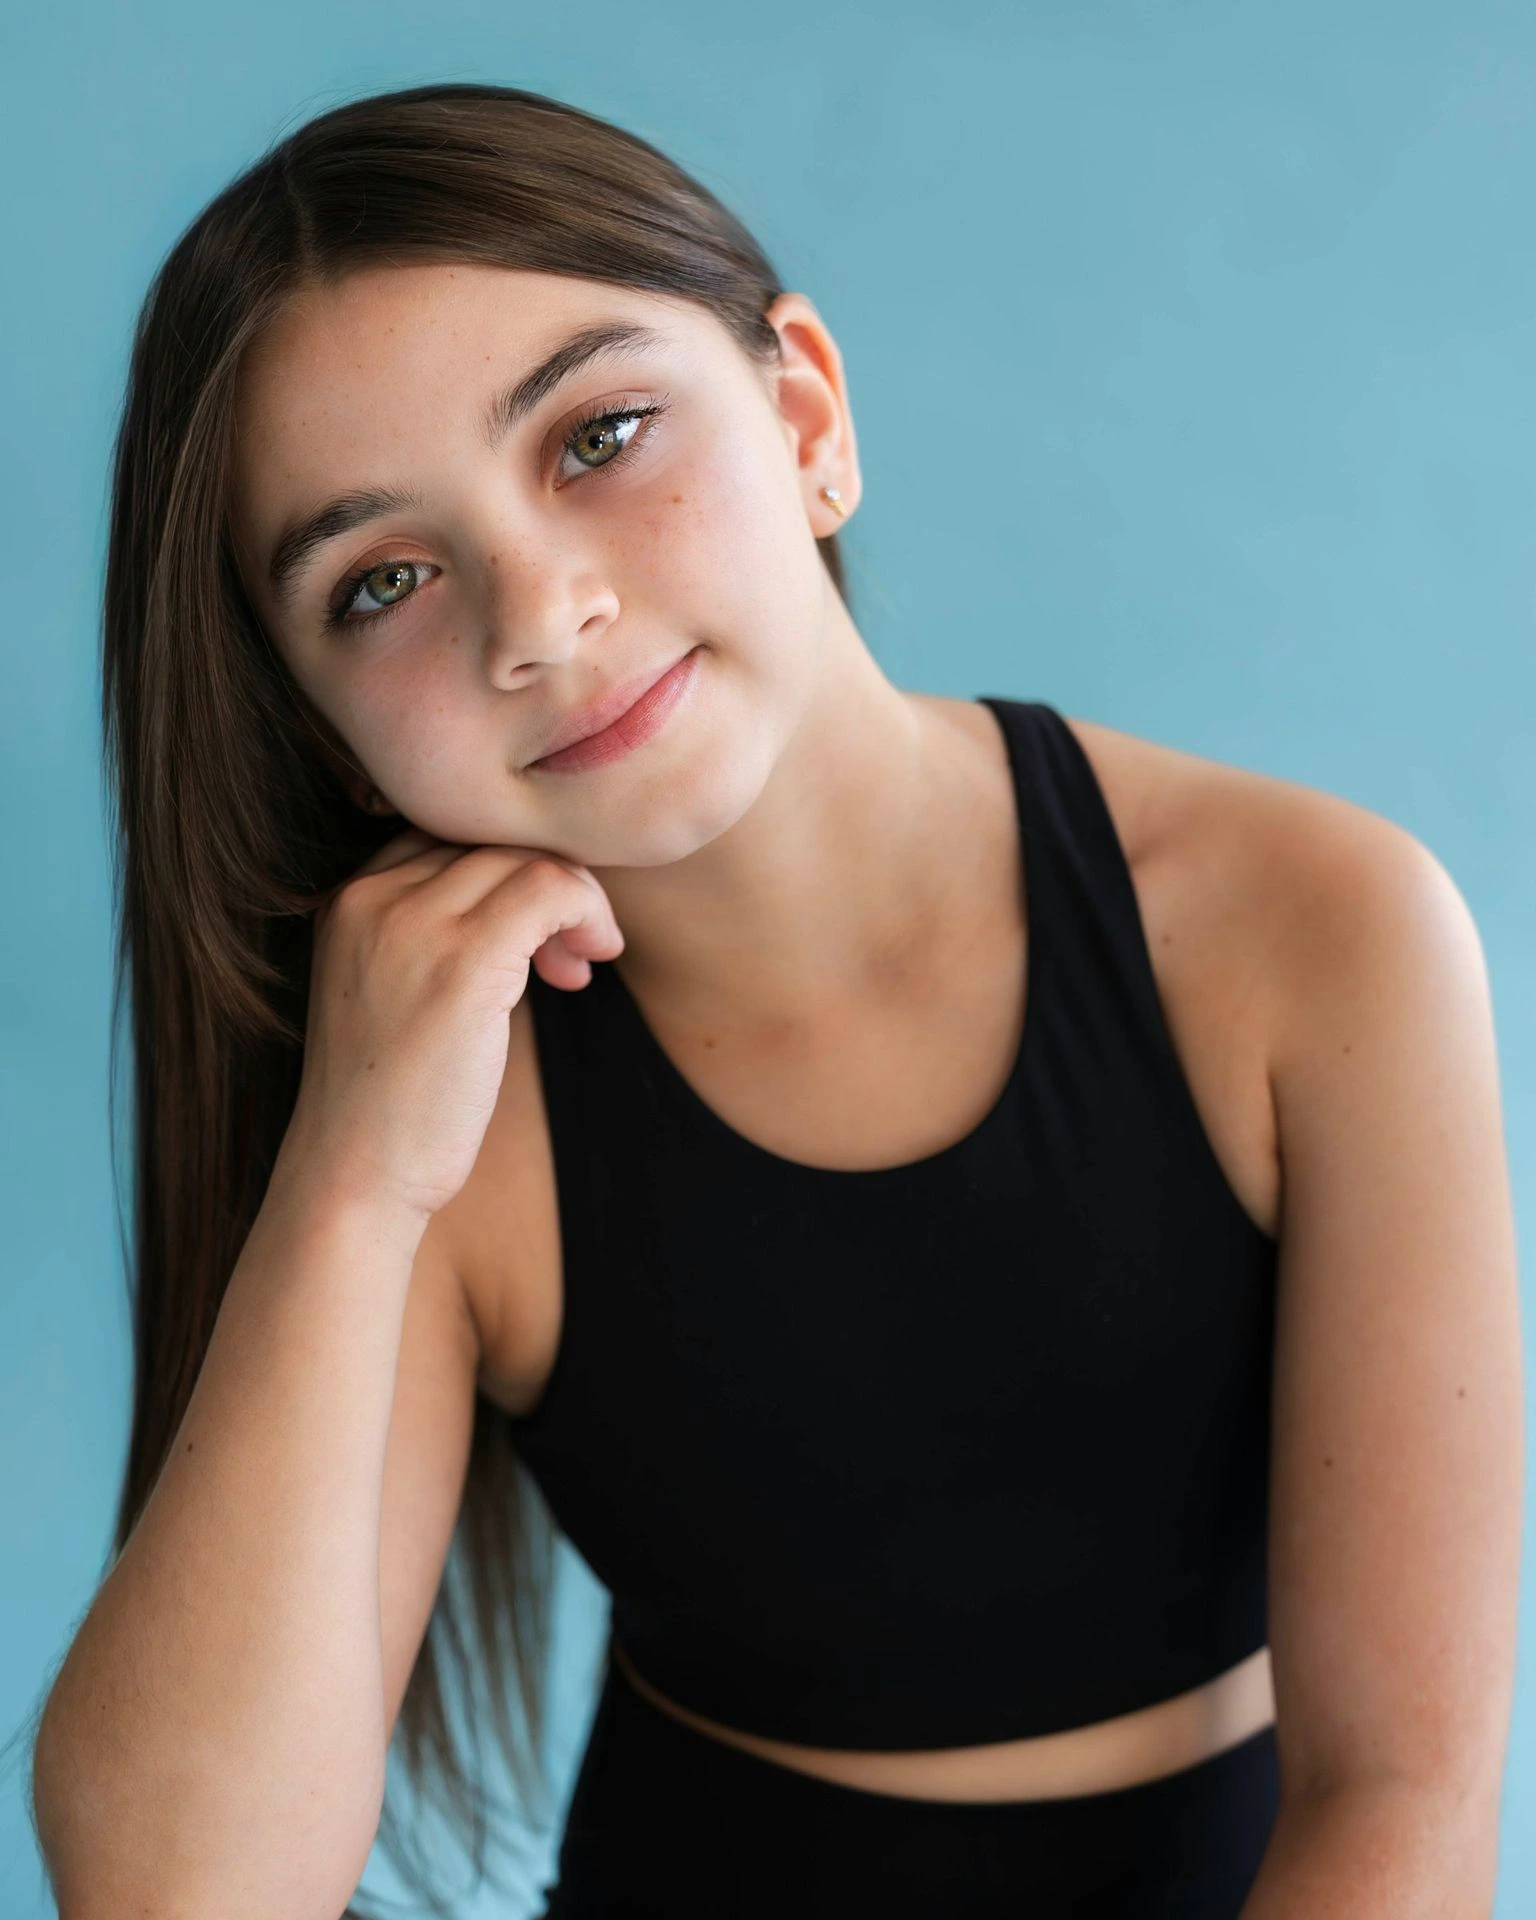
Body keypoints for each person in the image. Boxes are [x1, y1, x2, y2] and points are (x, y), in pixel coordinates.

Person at [26, 79, 1522, 1920]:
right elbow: (176, 1894)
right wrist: (350, 1178)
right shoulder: (441, 1107)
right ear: (321, 729)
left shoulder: (1317, 931)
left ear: (806, 414)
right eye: (385, 578)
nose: (538, 612)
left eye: (599, 435)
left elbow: (1408, 1792)